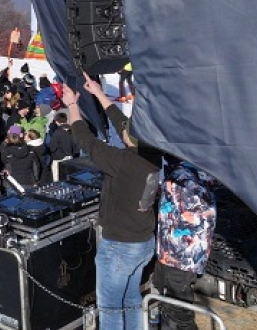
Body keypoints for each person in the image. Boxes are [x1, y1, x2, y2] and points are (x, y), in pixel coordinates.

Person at [62, 72, 160, 330]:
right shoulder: (154, 154)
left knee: (110, 309)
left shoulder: (124, 162)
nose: (124, 130)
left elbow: (86, 140)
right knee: (131, 299)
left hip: (120, 247)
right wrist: (99, 94)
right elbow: (122, 124)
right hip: (143, 241)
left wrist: (72, 104)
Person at [153, 157, 216, 330]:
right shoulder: (197, 171)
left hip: (179, 257)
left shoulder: (181, 178)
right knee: (173, 309)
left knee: (179, 313)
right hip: (183, 257)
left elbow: (194, 220)